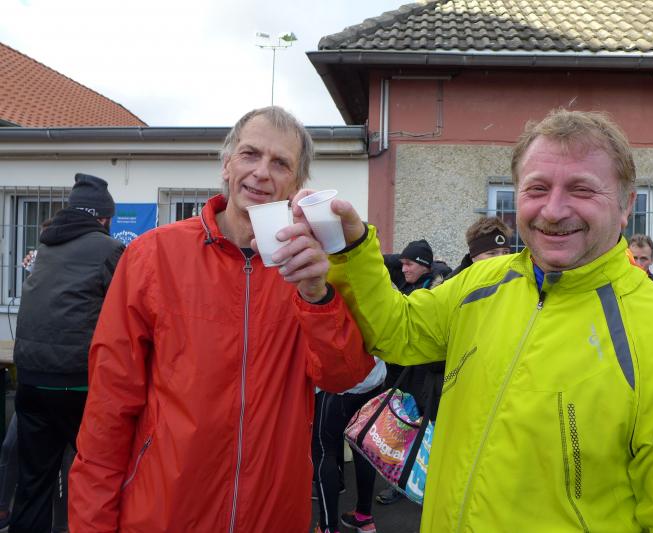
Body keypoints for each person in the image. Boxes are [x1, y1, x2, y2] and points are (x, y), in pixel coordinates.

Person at [299, 108, 653, 531]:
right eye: (537, 188)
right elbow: (396, 332)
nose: (554, 210)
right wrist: (351, 248)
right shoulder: (480, 284)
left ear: (625, 205)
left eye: (582, 189)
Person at [68, 107, 375, 532]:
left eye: (280, 163)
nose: (261, 172)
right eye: (250, 154)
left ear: (296, 184)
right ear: (227, 164)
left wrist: (317, 296)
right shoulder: (152, 256)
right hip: (164, 512)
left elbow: (344, 376)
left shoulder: (311, 267)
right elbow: (108, 410)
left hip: (272, 515)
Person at [11, 174, 125, 533]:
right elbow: (128, 311)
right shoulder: (109, 249)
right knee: (97, 474)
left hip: (30, 380)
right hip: (76, 383)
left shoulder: (46, 246)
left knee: (33, 481)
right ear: (104, 217)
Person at [375, 239, 448, 506]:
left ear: (424, 266)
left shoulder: (440, 286)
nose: (403, 268)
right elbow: (384, 261)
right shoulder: (406, 280)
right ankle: (400, 480)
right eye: (403, 264)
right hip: (400, 374)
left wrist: (431, 265)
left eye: (410, 264)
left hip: (425, 377)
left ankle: (420, 483)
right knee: (402, 427)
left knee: (424, 432)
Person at [312, 358, 386, 533]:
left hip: (335, 383)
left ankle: (328, 527)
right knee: (364, 447)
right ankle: (363, 516)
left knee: (325, 451)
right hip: (372, 378)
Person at [447, 216, 513, 279]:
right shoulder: (454, 283)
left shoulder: (514, 277)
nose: (501, 258)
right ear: (473, 257)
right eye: (492, 253)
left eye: (505, 252)